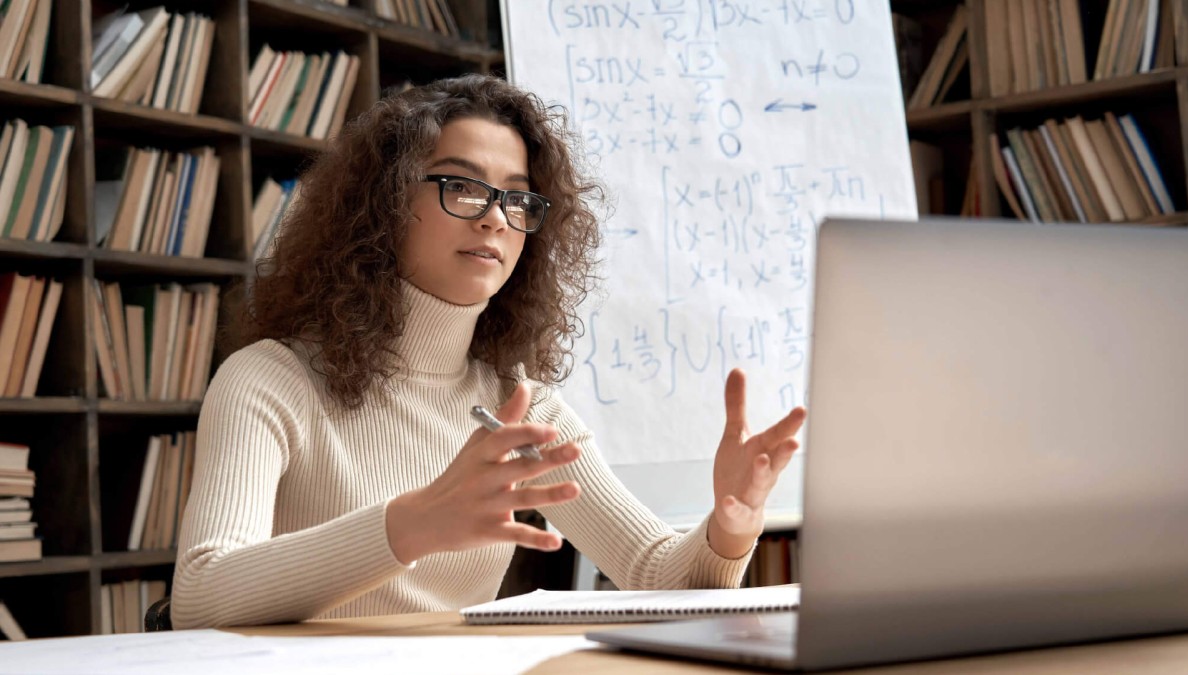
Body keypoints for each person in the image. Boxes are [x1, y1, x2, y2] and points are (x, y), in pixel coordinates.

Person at [172, 74, 807, 629]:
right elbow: (201, 594)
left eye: (518, 198)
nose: (496, 219)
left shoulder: (522, 407)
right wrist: (411, 525)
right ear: (385, 202)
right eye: (464, 187)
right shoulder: (268, 379)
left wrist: (731, 525)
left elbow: (657, 576)